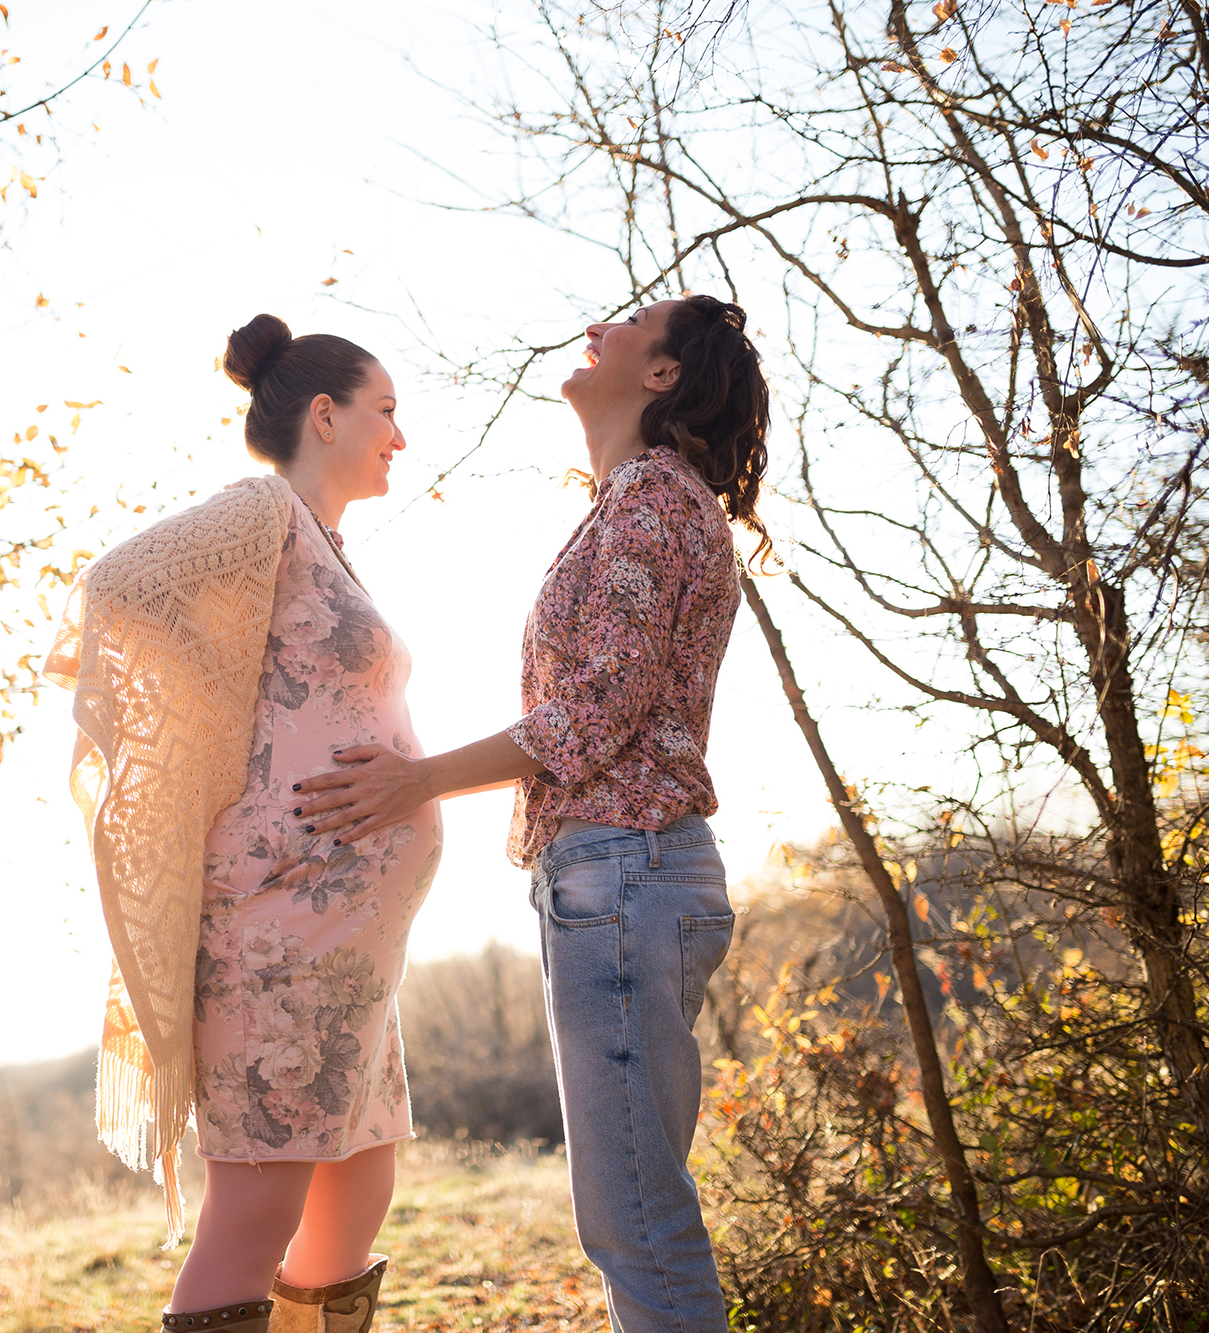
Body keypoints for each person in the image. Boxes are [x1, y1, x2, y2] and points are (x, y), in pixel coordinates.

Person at [291, 294, 771, 1332]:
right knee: (629, 1214)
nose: (599, 324)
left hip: (624, 874)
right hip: (611, 878)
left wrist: (411, 780)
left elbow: (591, 714)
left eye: (632, 320)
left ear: (663, 373)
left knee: (636, 1219)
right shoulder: (635, 500)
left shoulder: (651, 499)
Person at [46, 314, 442, 1333]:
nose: (399, 435)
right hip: (277, 932)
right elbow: (116, 587)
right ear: (324, 413)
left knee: (355, 1189)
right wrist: (202, 736)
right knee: (256, 1207)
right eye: (384, 411)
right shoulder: (260, 510)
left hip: (347, 948)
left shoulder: (324, 546)